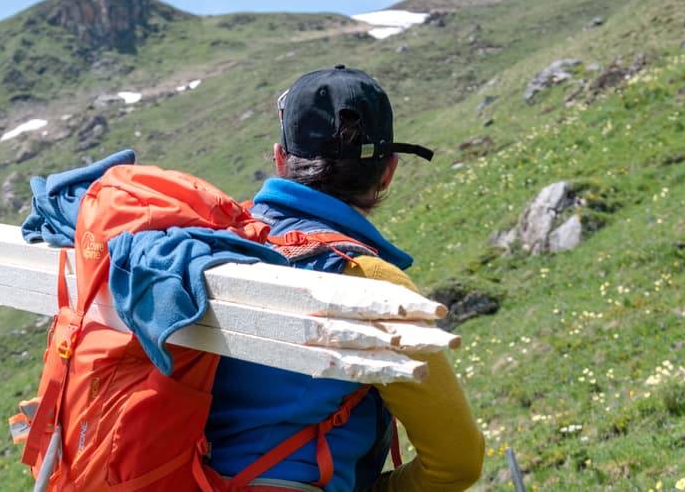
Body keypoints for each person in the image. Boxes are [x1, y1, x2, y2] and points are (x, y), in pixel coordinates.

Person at [204, 65, 485, 491]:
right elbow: (457, 462)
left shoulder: (212, 248)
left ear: (281, 160)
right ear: (388, 171)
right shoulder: (371, 282)